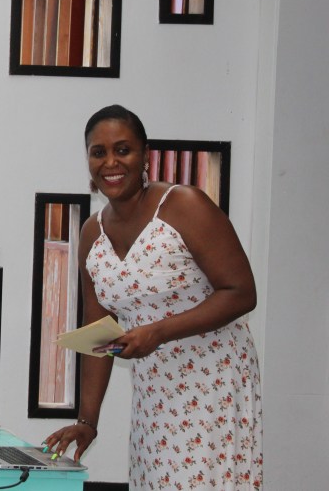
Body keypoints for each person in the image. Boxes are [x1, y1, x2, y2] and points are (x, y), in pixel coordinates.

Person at [44, 105, 262, 489]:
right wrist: (87, 421)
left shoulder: (185, 205)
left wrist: (158, 332)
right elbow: (99, 331)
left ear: (145, 155)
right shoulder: (92, 233)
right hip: (154, 397)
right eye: (98, 152)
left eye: (123, 150)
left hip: (211, 387)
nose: (111, 162)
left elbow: (241, 293)